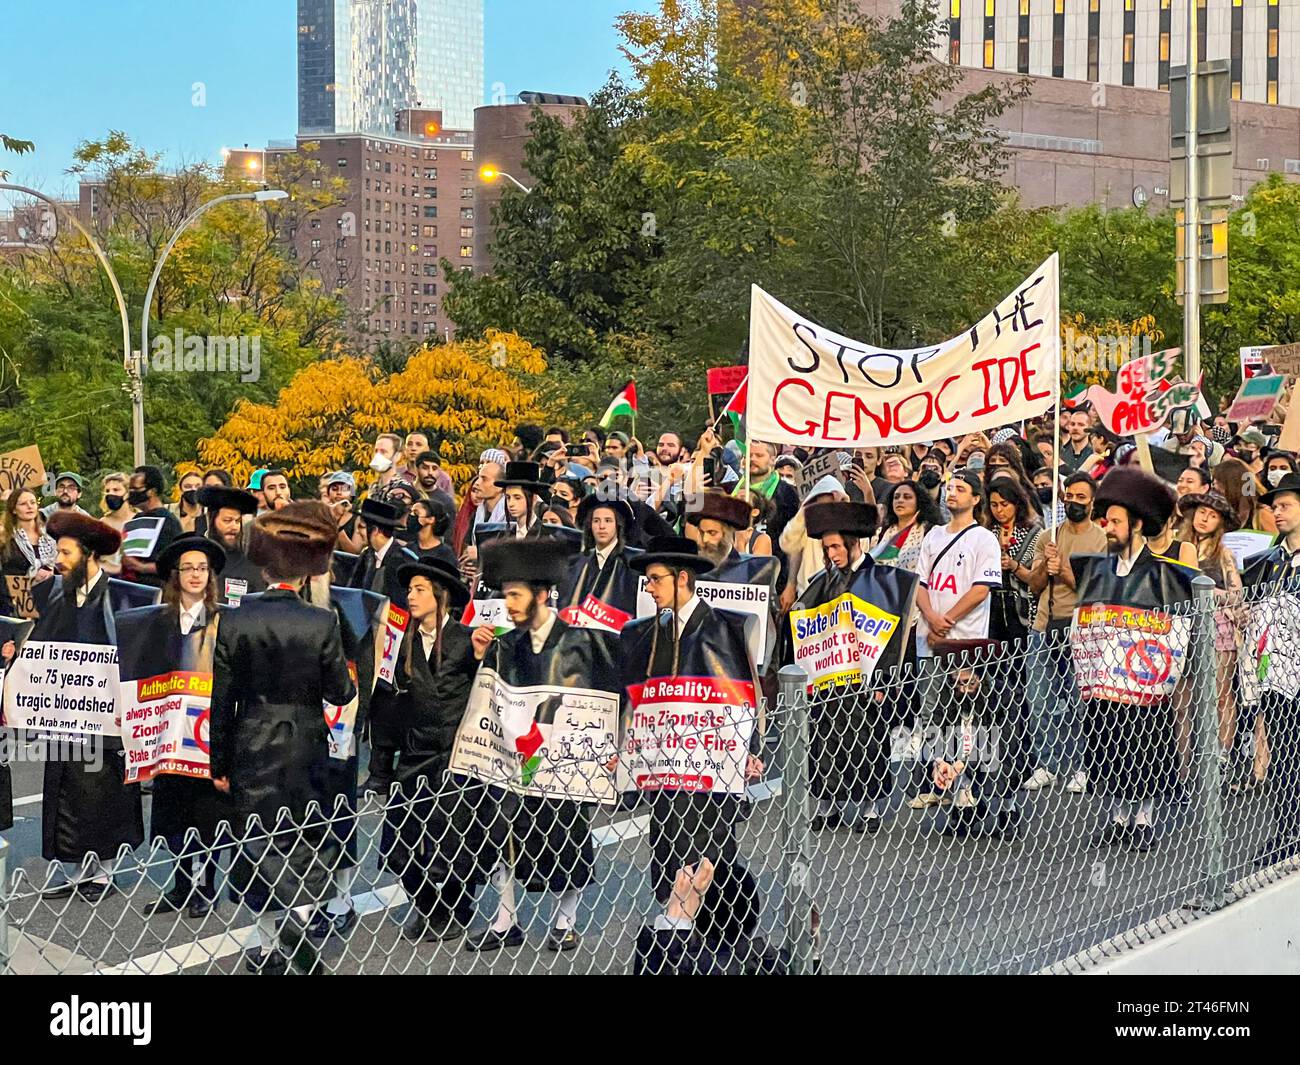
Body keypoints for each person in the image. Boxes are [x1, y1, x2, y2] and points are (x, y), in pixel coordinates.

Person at [209, 501, 356, 975]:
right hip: (306, 740)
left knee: (256, 842)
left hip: (251, 738)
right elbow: (341, 690)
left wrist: (218, 764)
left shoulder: (234, 618)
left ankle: (275, 943)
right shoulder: (320, 621)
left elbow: (221, 699)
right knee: (303, 839)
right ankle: (299, 934)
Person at [466, 538, 618, 953]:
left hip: (565, 763)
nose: (507, 604)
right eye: (504, 594)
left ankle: (565, 921)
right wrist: (478, 655)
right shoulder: (504, 644)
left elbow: (608, 698)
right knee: (502, 832)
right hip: (513, 761)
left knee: (567, 838)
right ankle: (505, 919)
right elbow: (486, 701)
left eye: (515, 595)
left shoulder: (584, 641)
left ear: (540, 595)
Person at [622, 535, 765, 955]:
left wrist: (750, 749)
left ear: (682, 578)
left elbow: (741, 694)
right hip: (667, 768)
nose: (648, 588)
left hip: (711, 768)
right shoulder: (647, 633)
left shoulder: (726, 627)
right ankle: (680, 932)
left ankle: (712, 940)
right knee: (667, 848)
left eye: (654, 580)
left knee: (709, 855)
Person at [1075, 467, 1195, 853]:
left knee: (1144, 747)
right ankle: (1116, 818)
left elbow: (1177, 629)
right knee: (1107, 745)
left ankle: (1142, 819)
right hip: (1104, 681)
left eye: (1114, 521)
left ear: (1137, 524)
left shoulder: (1167, 574)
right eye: (1105, 520)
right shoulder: (1095, 569)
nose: (1106, 527)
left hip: (1143, 683)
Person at [118, 534, 231, 919]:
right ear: (175, 575)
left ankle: (207, 885)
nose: (196, 574)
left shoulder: (223, 620)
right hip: (166, 736)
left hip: (205, 735)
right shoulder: (155, 621)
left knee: (207, 814)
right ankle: (182, 885)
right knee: (173, 814)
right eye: (188, 568)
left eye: (202, 568)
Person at [36, 512, 143, 900]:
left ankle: (105, 873)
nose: (58, 559)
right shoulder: (54, 593)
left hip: (108, 717)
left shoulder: (124, 596)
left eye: (65, 552)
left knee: (103, 790)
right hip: (65, 714)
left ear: (88, 554)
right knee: (68, 789)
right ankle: (81, 869)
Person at [381, 556, 485, 942]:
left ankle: (457, 908)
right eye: (410, 589)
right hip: (412, 755)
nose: (411, 596)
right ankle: (426, 904)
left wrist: (478, 658)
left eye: (420, 589)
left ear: (440, 598)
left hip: (455, 758)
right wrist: (379, 769)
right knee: (404, 842)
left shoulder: (464, 638)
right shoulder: (400, 642)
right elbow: (386, 706)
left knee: (457, 839)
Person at [793, 501, 907, 834]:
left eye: (835, 546)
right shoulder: (822, 580)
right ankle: (828, 805)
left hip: (865, 676)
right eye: (826, 548)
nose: (830, 553)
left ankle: (871, 808)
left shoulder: (881, 579)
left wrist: (885, 679)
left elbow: (892, 630)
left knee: (866, 740)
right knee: (825, 740)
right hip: (829, 675)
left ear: (853, 543)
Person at [908, 470, 1003, 810]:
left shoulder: (984, 539)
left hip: (965, 640)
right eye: (950, 488)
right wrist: (931, 617)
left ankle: (966, 783)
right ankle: (937, 779)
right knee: (932, 712)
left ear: (976, 498)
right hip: (929, 636)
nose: (952, 494)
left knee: (965, 714)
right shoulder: (934, 535)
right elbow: (919, 582)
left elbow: (981, 589)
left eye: (961, 489)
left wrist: (946, 621)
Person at [1022, 472, 1107, 794]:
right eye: (1069, 495)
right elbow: (1034, 584)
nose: (1072, 501)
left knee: (1079, 704)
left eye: (1080, 497)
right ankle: (1047, 764)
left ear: (1092, 502)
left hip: (1081, 629)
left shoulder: (1101, 539)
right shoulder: (1049, 536)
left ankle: (1083, 765)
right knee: (1040, 700)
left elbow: (1093, 588)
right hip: (1044, 626)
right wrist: (1046, 564)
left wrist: (1066, 569)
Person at [1242, 472, 1300, 865]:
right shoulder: (1271, 561)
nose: (1276, 513)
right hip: (1277, 674)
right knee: (1281, 753)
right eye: (1274, 507)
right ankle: (1287, 828)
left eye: (1285, 506)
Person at [1177, 490, 1244, 776]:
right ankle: (1182, 763)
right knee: (1182, 698)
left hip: (1218, 626)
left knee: (1220, 694)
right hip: (1182, 626)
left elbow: (1236, 594)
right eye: (1202, 512)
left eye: (1212, 515)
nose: (1205, 519)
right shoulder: (1177, 547)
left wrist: (1206, 591)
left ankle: (1222, 756)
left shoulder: (1223, 554)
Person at [558, 496, 641, 620]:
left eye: (608, 520)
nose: (601, 526)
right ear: (589, 525)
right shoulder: (576, 563)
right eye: (596, 521)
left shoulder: (634, 562)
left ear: (618, 525)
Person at [198, 484, 265, 607]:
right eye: (227, 521)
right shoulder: (196, 556)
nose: (234, 527)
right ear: (211, 520)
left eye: (237, 521)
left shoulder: (251, 562)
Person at [120, 465, 183, 587]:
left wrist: (141, 567)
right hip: (130, 589)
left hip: (157, 593)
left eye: (135, 489)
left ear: (152, 491)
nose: (131, 493)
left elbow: (175, 565)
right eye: (130, 489)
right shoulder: (137, 519)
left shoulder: (169, 523)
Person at [1, 486, 57, 582]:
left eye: (33, 503)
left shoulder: (49, 536)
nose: (29, 507)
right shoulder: (5, 536)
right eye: (23, 504)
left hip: (50, 592)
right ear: (14, 509)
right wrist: (33, 578)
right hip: (14, 594)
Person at [687, 491, 753, 571]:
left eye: (712, 533)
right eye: (701, 532)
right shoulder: (691, 569)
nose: (704, 539)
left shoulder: (748, 572)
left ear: (727, 534)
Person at [496, 461, 549, 540]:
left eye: (517, 498)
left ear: (534, 499)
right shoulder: (503, 536)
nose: (511, 504)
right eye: (508, 497)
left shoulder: (545, 536)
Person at [97, 473, 134, 577]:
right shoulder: (102, 523)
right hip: (106, 577)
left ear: (127, 493)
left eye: (116, 490)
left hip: (132, 579)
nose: (111, 494)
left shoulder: (138, 520)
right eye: (107, 491)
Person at [407, 498, 458, 567]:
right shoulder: (407, 549)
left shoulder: (445, 554)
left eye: (416, 513)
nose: (411, 515)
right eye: (411, 512)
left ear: (431, 519)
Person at [368, 432, 416, 503]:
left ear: (397, 456)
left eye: (383, 452)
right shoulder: (374, 486)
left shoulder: (402, 488)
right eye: (376, 451)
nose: (378, 455)